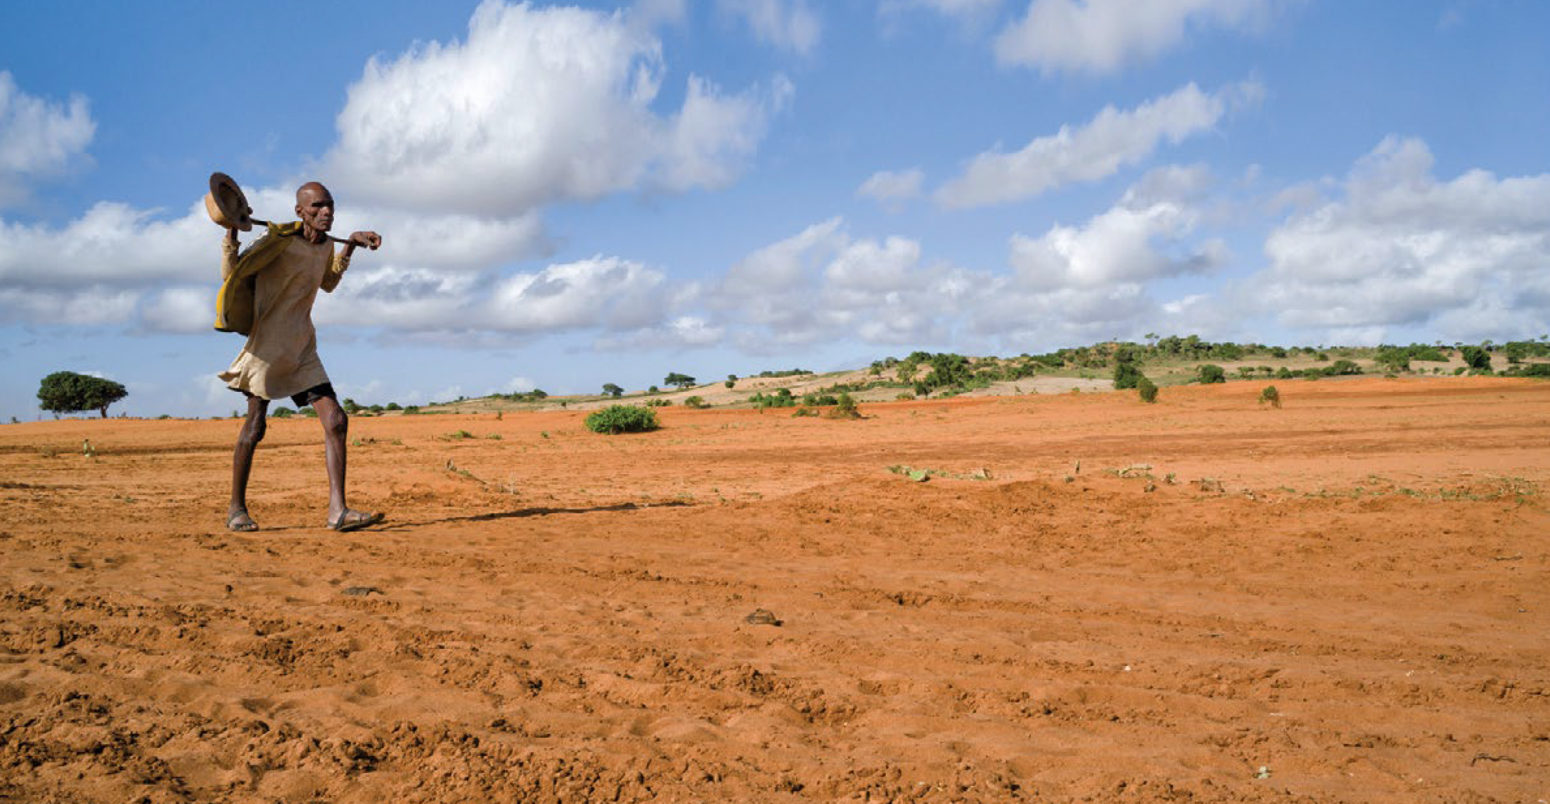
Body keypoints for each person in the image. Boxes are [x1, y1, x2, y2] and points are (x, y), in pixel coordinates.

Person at [216, 181, 383, 532]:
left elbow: (328, 283)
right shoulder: (278, 243)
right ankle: (236, 508)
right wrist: (231, 234)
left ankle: (338, 511)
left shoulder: (324, 247)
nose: (326, 213)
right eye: (317, 207)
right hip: (267, 350)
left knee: (336, 420)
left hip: (303, 348)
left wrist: (349, 247)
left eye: (330, 206)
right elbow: (233, 276)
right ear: (299, 211)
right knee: (255, 428)